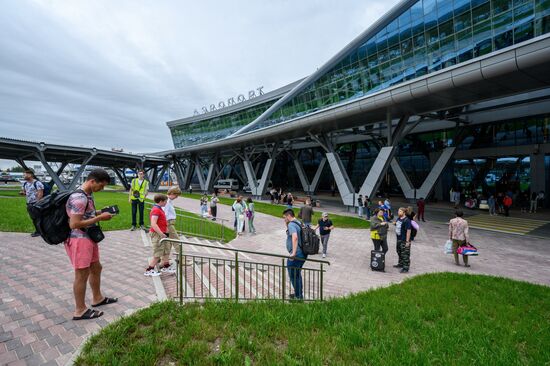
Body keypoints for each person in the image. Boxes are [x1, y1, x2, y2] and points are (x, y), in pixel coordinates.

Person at [65, 169, 117, 320]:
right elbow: (74, 224)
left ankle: (97, 298)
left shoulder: (87, 195)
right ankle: (80, 310)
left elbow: (86, 214)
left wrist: (100, 212)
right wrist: (99, 218)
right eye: (101, 186)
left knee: (96, 267)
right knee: (81, 274)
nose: (102, 189)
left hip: (88, 237)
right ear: (92, 181)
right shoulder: (79, 198)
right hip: (79, 239)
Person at [145, 194, 175, 276]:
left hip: (163, 234)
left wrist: (166, 232)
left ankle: (166, 266)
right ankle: (149, 269)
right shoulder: (156, 210)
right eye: (165, 201)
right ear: (161, 201)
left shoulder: (159, 209)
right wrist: (161, 234)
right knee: (158, 253)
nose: (166, 203)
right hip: (158, 235)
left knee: (166, 250)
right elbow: (153, 224)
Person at [283, 208, 307, 300]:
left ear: (289, 216)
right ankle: (298, 294)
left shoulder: (292, 224)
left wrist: (293, 253)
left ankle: (298, 297)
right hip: (303, 254)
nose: (284, 219)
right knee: (297, 275)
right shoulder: (299, 222)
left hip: (296, 255)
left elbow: (295, 237)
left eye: (284, 217)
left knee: (293, 275)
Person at [20, 169, 44, 237]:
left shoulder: (37, 183)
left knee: (38, 218)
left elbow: (40, 194)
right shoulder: (25, 183)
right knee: (33, 218)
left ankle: (39, 231)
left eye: (25, 175)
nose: (23, 176)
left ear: (30, 175)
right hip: (29, 203)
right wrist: (23, 193)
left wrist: (37, 204)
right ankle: (38, 231)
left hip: (36, 204)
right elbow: (25, 192)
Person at [164, 187, 180, 262]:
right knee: (177, 242)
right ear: (172, 193)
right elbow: (165, 214)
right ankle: (182, 259)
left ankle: (165, 259)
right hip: (169, 224)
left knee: (169, 243)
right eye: (176, 196)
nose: (177, 197)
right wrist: (166, 226)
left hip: (170, 223)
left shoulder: (169, 201)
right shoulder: (167, 201)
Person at [394, 207, 412, 273]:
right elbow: (399, 225)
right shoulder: (399, 218)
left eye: (400, 211)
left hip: (404, 240)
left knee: (405, 254)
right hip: (398, 239)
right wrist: (395, 224)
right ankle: (400, 264)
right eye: (398, 211)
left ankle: (405, 268)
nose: (398, 212)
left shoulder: (407, 220)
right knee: (399, 251)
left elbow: (408, 231)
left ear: (404, 212)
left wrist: (407, 241)